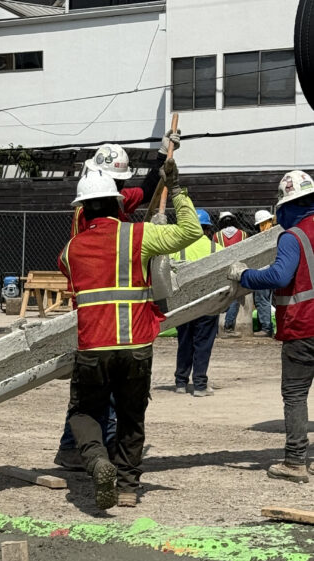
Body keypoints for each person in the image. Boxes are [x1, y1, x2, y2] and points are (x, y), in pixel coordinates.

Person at [57, 159, 202, 510]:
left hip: (93, 348)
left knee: (84, 413)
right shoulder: (139, 236)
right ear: (118, 203)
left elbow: (70, 276)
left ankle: (96, 461)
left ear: (83, 210)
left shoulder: (70, 251)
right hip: (137, 345)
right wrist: (178, 189)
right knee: (131, 416)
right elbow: (191, 231)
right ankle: (126, 487)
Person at [227, 170, 314, 484]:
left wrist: (245, 276)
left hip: (304, 327)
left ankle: (294, 461)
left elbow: (279, 277)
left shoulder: (294, 237)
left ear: (288, 207)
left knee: (294, 394)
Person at [172, 209, 223, 397]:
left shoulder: (178, 249)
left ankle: (180, 382)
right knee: (203, 344)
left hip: (184, 305)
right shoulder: (216, 249)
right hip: (208, 304)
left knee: (184, 342)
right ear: (208, 229)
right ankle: (200, 385)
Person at [214, 211, 249, 335]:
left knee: (218, 297)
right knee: (235, 297)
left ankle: (215, 329)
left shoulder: (216, 236)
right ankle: (229, 327)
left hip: (222, 268)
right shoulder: (244, 234)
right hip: (238, 268)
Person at [253, 209, 275, 337]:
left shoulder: (262, 237)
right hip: (272, 271)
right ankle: (268, 326)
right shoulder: (274, 234)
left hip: (263, 272)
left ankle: (266, 327)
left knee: (262, 300)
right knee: (267, 299)